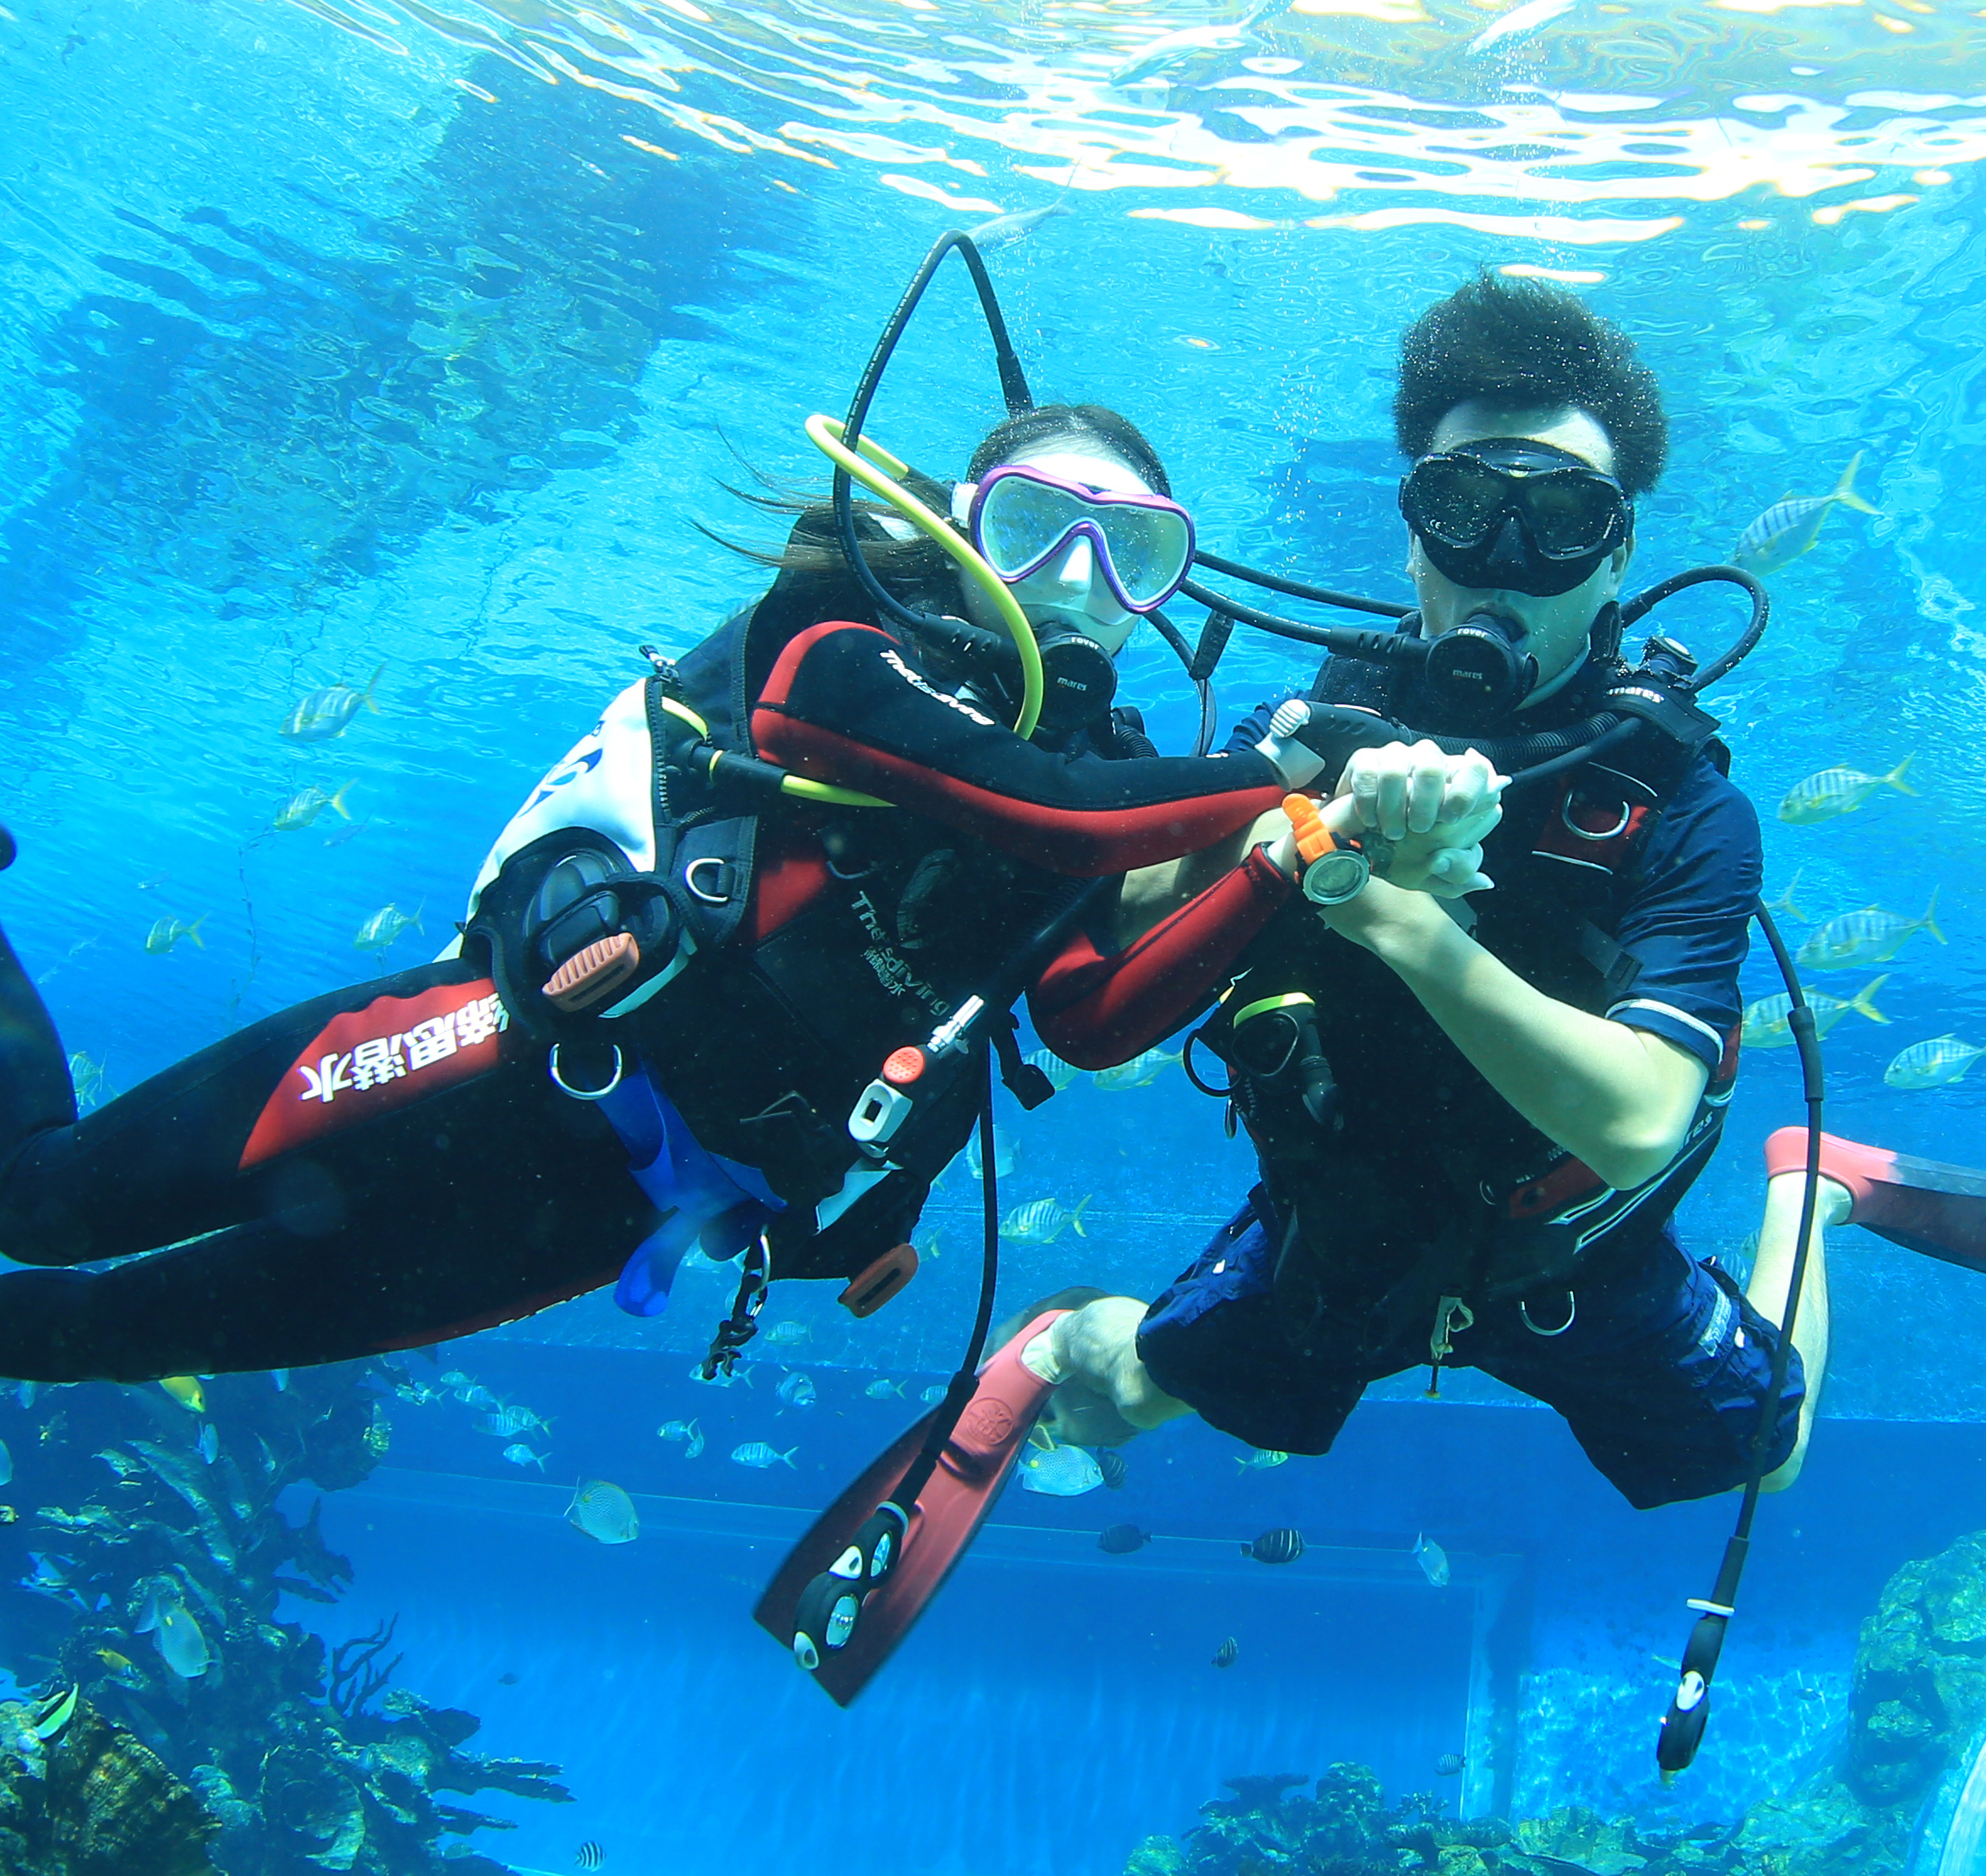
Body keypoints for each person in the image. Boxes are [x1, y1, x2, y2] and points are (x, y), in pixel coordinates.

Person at [0, 394, 1439, 1563]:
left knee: (162, 1325)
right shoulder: (835, 645)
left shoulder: (1107, 797)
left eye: (1134, 554)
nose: (1080, 589)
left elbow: (1093, 1016)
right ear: (954, 533)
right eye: (1037, 531)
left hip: (621, 1211)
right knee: (45, 1201)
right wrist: (1287, 795)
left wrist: (1285, 868)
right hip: (491, 1061)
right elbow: (1039, 804)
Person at [761, 276, 1834, 1694]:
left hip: (1570, 1256)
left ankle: (1818, 1185)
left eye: (1563, 520)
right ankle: (1063, 1342)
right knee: (1117, 1388)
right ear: (1411, 535)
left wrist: (1398, 917)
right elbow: (1115, 949)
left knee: (1769, 1446)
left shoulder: (1685, 810)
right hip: (1334, 1232)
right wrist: (1283, 822)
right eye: (1465, 507)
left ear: (1620, 550)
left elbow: (1640, 1120)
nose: (1506, 563)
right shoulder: (1309, 737)